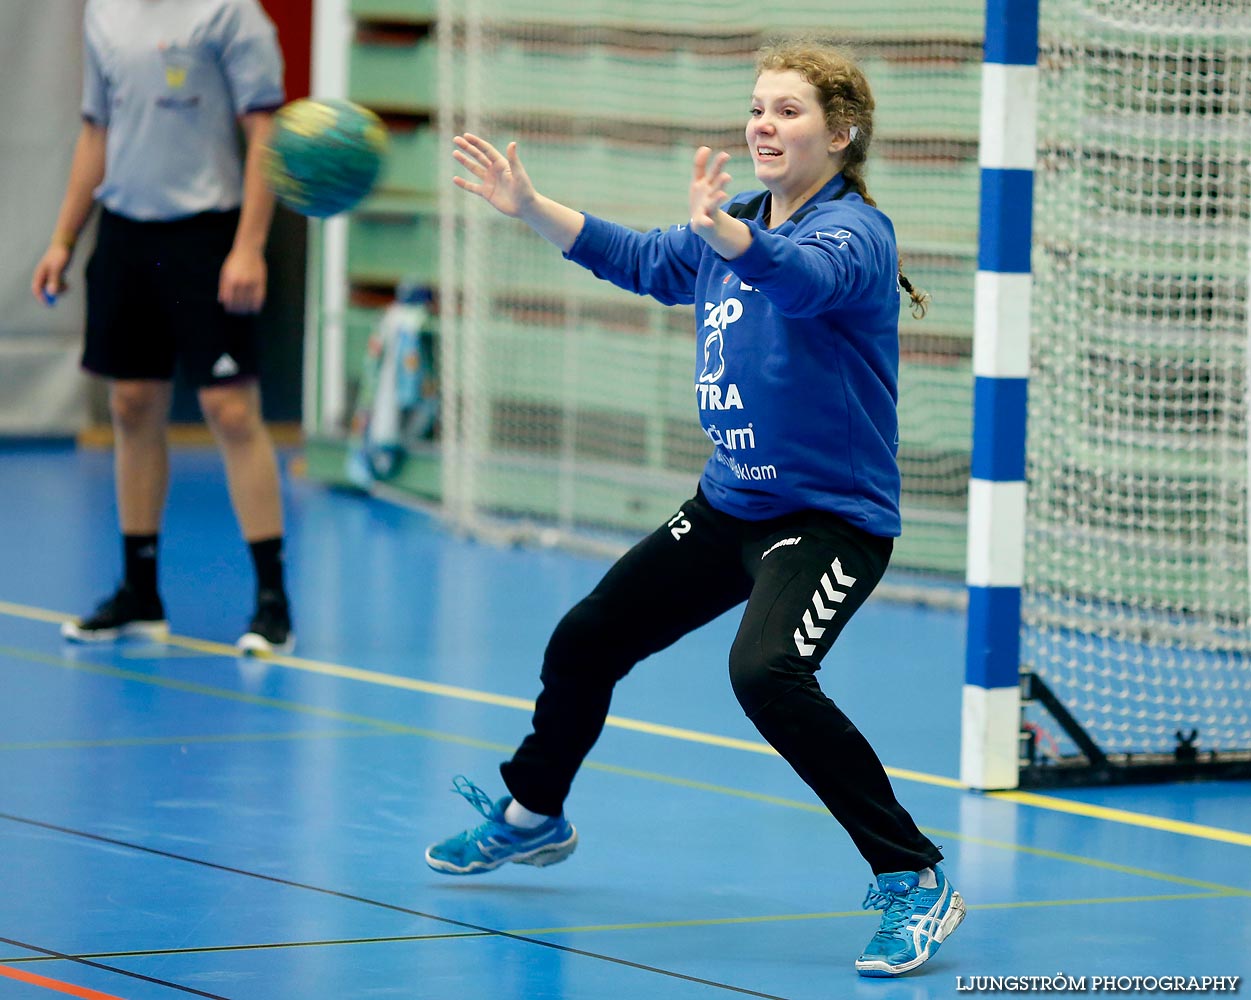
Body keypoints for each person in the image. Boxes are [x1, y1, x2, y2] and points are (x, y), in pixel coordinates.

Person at [425, 40, 963, 977]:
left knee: (765, 675)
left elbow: (802, 281)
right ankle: (532, 813)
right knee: (588, 636)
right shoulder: (736, 220)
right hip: (729, 506)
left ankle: (913, 878)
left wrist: (732, 239)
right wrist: (529, 208)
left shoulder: (853, 234)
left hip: (828, 519)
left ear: (840, 134)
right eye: (757, 107)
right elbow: (636, 257)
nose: (763, 123)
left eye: (788, 110)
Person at [31, 0, 295, 654]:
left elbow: (267, 130)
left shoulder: (233, 14)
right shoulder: (104, 14)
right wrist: (64, 238)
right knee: (130, 403)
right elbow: (96, 132)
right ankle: (139, 595)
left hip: (208, 233)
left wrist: (248, 245)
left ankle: (271, 603)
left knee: (231, 411)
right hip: (124, 233)